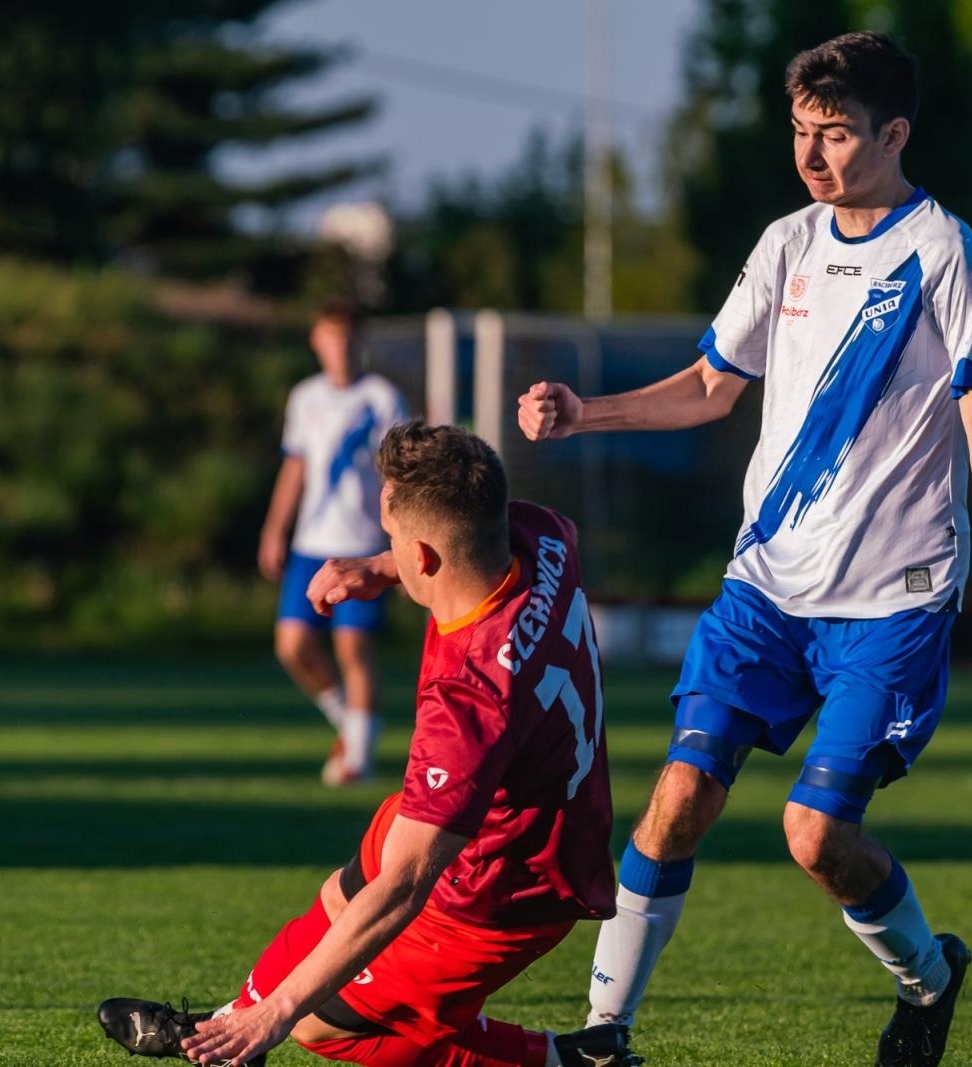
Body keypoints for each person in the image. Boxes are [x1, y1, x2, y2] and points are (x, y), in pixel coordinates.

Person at [517, 31, 972, 1067]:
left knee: (816, 835)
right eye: (801, 130)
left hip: (893, 602)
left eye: (838, 134)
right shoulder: (786, 244)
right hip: (766, 589)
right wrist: (587, 411)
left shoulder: (943, 251)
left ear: (894, 135)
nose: (812, 155)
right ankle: (604, 1034)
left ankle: (929, 978)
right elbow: (709, 385)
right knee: (677, 797)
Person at [100, 421, 641, 1067]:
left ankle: (556, 1060)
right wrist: (383, 568)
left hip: (503, 886)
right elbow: (489, 540)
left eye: (390, 539)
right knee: (338, 898)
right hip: (485, 816)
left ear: (425, 557)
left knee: (320, 1026)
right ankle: (225, 1025)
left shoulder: (469, 700)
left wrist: (280, 1011)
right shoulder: (541, 536)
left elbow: (407, 886)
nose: (386, 549)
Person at [259, 297, 410, 785]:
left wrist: (401, 541)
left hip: (361, 543)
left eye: (347, 337)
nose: (339, 347)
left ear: (359, 342)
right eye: (331, 337)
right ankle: (349, 720)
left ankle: (357, 762)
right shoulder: (305, 397)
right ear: (316, 341)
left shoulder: (382, 398)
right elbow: (296, 466)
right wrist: (274, 529)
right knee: (292, 646)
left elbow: (399, 477)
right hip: (311, 543)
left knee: (352, 648)